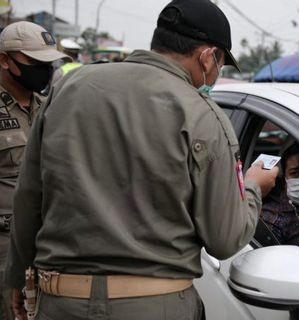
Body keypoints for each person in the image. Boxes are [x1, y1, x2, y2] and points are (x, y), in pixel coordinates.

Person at [4, 0, 278, 319]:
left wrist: (16, 279)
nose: (217, 74)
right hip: (154, 305)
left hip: (61, 301)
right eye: (220, 64)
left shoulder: (69, 87)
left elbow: (28, 199)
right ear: (207, 57)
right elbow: (225, 239)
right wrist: (254, 189)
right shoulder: (203, 116)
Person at [0, 21, 70, 320]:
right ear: (5, 60)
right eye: (34, 63)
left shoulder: (48, 107)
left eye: (47, 63)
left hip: (46, 246)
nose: (43, 70)